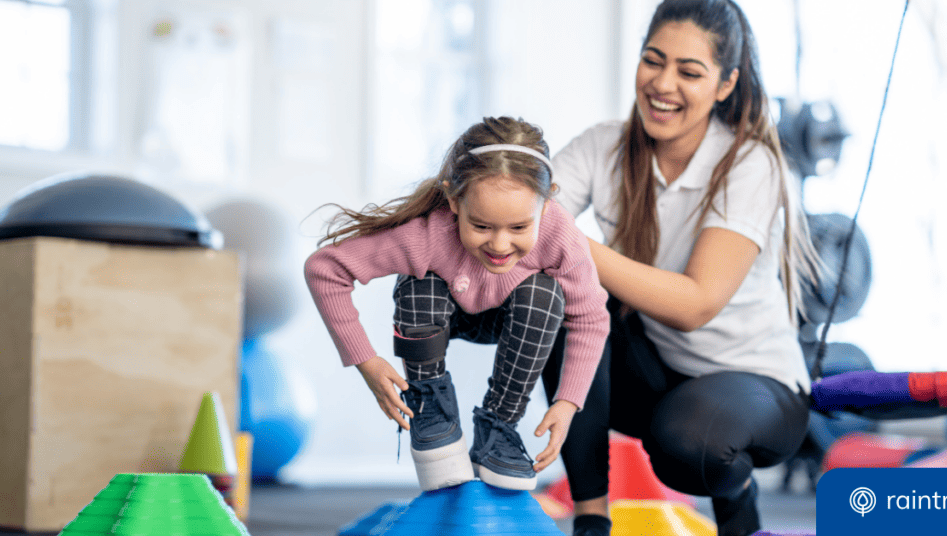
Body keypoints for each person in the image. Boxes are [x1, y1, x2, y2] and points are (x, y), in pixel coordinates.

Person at [539, 1, 818, 535]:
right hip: (659, 374)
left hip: (761, 388)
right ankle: (591, 519)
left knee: (688, 446)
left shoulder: (748, 163)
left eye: (689, 72)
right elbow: (523, 217)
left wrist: (569, 241)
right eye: (653, 61)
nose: (663, 84)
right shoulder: (603, 147)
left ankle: (737, 494)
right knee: (555, 303)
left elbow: (694, 304)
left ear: (725, 84)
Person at [305, 116, 610, 493]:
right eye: (481, 226)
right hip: (440, 316)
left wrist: (568, 403)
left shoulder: (561, 235)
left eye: (518, 228)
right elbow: (325, 268)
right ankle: (432, 411)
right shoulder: (428, 234)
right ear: (454, 200)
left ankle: (499, 426)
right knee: (420, 282)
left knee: (546, 293)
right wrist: (366, 360)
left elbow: (591, 318)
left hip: (517, 319)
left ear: (545, 205)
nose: (499, 245)